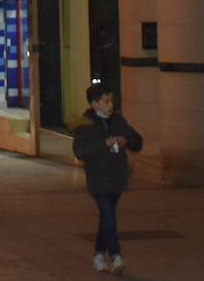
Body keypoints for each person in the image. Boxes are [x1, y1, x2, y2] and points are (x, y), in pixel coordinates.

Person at [72, 82, 143, 274]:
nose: (111, 105)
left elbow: (138, 141)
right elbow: (80, 151)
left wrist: (126, 140)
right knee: (109, 217)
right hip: (99, 179)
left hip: (117, 178)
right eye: (106, 101)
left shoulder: (117, 120)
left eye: (111, 100)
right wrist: (104, 144)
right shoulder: (85, 125)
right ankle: (116, 256)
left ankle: (97, 255)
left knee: (106, 218)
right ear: (95, 104)